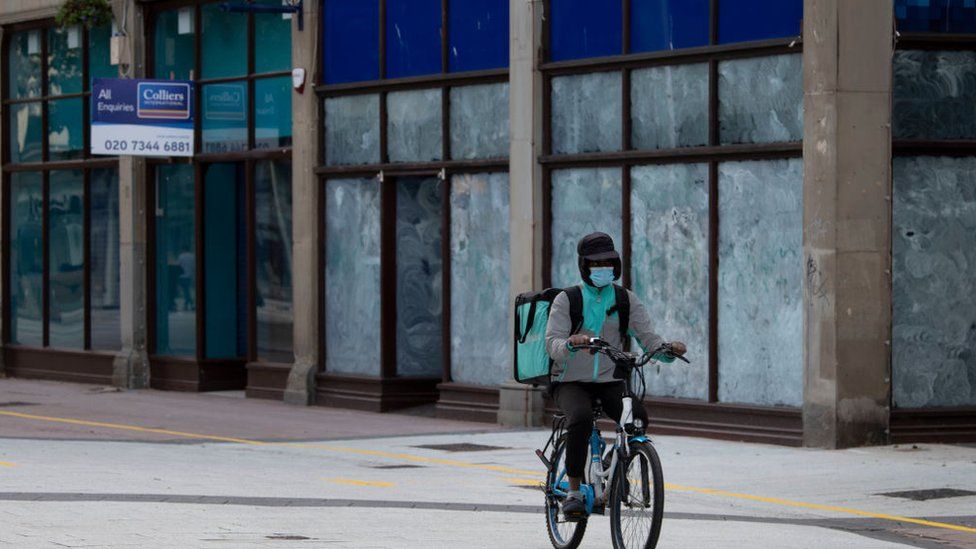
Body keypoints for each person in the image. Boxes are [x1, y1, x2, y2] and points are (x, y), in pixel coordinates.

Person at [545, 232, 686, 520]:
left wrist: (668, 349)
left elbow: (648, 339)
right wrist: (572, 342)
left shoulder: (624, 299)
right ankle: (573, 492)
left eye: (609, 262)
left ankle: (613, 463)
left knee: (638, 418)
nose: (604, 268)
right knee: (582, 418)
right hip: (570, 382)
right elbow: (552, 344)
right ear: (585, 266)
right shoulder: (567, 300)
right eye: (597, 264)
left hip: (610, 382)